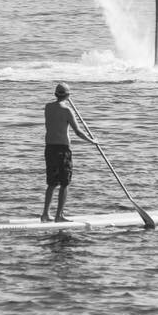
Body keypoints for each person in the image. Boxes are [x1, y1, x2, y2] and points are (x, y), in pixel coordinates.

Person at [40, 83, 98, 223]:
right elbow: (78, 132)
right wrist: (92, 141)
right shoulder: (67, 110)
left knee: (52, 183)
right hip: (62, 149)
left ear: (55, 94)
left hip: (49, 148)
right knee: (65, 183)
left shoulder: (48, 107)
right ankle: (59, 216)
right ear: (68, 95)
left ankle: (45, 214)